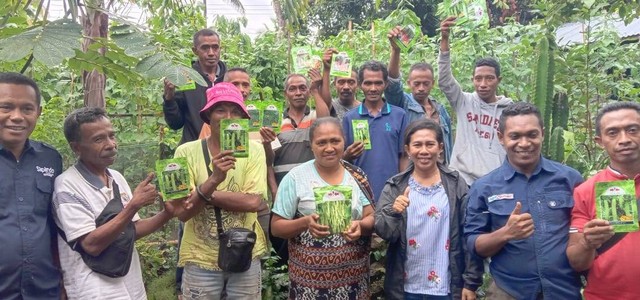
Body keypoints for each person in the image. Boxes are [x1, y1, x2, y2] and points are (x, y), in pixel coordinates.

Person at [464, 102, 583, 299]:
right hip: (509, 290)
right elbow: (474, 245)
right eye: (515, 136)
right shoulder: (484, 187)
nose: (525, 143)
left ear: (542, 134)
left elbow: (582, 230)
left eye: (532, 134)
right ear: (501, 137)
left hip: (563, 290)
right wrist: (505, 233)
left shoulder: (570, 179)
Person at [53, 107, 174, 299]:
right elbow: (91, 245)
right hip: (95, 289)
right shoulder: (67, 185)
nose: (111, 144)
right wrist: (133, 205)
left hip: (130, 285)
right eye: (99, 139)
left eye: (112, 136)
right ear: (76, 147)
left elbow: (131, 230)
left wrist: (167, 214)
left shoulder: (116, 177)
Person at [170, 82, 268, 299]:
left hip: (245, 253)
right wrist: (214, 179)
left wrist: (201, 193)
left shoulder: (255, 151)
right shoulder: (186, 152)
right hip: (200, 257)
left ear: (243, 118)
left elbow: (252, 203)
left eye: (235, 111)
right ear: (208, 116)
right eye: (220, 110)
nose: (228, 117)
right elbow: (183, 213)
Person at [375, 119, 483, 300]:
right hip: (406, 287)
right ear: (408, 150)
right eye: (417, 145)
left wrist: (471, 281)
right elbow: (384, 232)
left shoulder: (456, 184)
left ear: (440, 148)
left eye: (430, 144)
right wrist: (394, 212)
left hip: (446, 286)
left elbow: (469, 232)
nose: (424, 151)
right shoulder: (395, 186)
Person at [271, 117, 374, 299]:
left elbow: (371, 216)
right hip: (308, 286)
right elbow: (276, 227)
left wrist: (361, 226)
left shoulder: (357, 176)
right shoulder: (295, 178)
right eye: (321, 142)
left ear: (344, 141)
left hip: (353, 285)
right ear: (311, 145)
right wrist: (304, 223)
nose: (329, 148)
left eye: (335, 141)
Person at [567, 101, 640, 300]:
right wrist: (587, 242)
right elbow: (577, 262)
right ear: (600, 141)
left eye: (632, 130)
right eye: (613, 132)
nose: (624, 139)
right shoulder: (585, 191)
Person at [0, 72, 63, 299]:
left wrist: (63, 279)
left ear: (38, 112)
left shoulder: (50, 159)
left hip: (44, 289)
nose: (17, 117)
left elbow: (55, 222)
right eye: (6, 107)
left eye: (27, 109)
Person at [438, 16, 513, 185]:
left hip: (496, 181)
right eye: (478, 79)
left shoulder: (508, 111)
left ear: (498, 80)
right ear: (472, 79)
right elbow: (444, 80)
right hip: (462, 180)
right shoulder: (463, 101)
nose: (483, 84)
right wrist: (444, 39)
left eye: (489, 78)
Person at [342, 60, 409, 202]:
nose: (373, 88)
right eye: (368, 83)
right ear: (360, 85)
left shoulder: (399, 115)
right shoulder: (350, 118)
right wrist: (347, 155)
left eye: (378, 83)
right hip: (360, 192)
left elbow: (403, 156)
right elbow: (342, 160)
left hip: (391, 191)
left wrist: (402, 186)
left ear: (386, 84)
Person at [385, 26, 453, 165]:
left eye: (425, 83)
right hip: (414, 172)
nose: (421, 88)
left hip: (440, 172)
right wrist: (396, 50)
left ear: (432, 83)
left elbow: (448, 143)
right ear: (409, 83)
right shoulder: (403, 103)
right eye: (417, 84)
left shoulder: (441, 111)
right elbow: (392, 84)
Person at [163, 29, 227, 145]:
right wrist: (169, 99)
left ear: (220, 49)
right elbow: (175, 124)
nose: (211, 52)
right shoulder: (186, 79)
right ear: (195, 50)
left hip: (225, 149)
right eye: (205, 48)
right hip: (194, 149)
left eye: (215, 47)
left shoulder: (230, 79)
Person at [320, 48, 360, 122]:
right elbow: (325, 102)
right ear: (335, 84)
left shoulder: (364, 109)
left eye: (351, 82)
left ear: (358, 84)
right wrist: (326, 68)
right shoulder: (332, 106)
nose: (346, 87)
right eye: (341, 82)